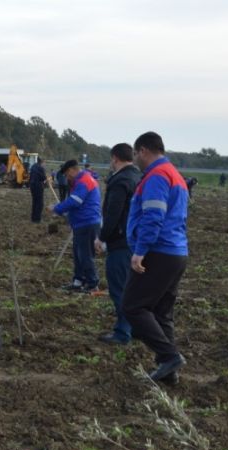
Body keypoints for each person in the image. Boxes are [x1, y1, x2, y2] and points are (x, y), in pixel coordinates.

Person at [122, 132, 188, 382]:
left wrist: (140, 251)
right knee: (162, 314)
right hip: (176, 252)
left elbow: (153, 216)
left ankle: (169, 356)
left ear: (143, 150)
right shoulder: (175, 175)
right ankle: (169, 372)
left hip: (158, 251)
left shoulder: (157, 176)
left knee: (133, 306)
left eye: (137, 154)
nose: (136, 159)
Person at [94, 143, 141, 345]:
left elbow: (113, 214)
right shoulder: (138, 177)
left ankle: (123, 332)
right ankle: (135, 328)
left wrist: (102, 237)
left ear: (115, 158)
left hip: (121, 243)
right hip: (136, 241)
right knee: (132, 288)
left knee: (119, 288)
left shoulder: (120, 181)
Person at [47, 159, 101, 292]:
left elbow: (74, 201)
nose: (66, 177)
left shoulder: (84, 181)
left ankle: (92, 284)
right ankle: (78, 282)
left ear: (72, 170)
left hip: (87, 223)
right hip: (81, 223)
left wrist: (57, 208)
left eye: (66, 174)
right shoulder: (80, 181)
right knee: (78, 255)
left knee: (85, 255)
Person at [28, 156, 47, 223]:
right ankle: (37, 219)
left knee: (35, 202)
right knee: (40, 203)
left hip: (32, 186)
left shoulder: (33, 166)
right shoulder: (40, 168)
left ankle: (33, 218)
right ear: (42, 162)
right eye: (44, 163)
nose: (45, 164)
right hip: (38, 186)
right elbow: (43, 178)